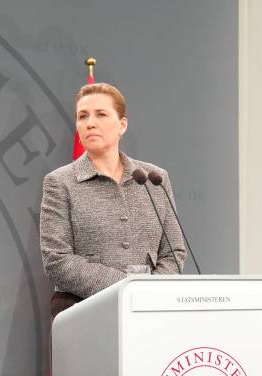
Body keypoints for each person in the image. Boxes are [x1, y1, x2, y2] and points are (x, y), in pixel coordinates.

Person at [39, 83, 186, 321]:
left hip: (148, 312)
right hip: (83, 312)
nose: (90, 123)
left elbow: (173, 252)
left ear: (122, 125)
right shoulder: (59, 182)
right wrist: (127, 288)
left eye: (101, 114)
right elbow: (57, 260)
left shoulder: (154, 179)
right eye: (82, 116)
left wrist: (149, 294)